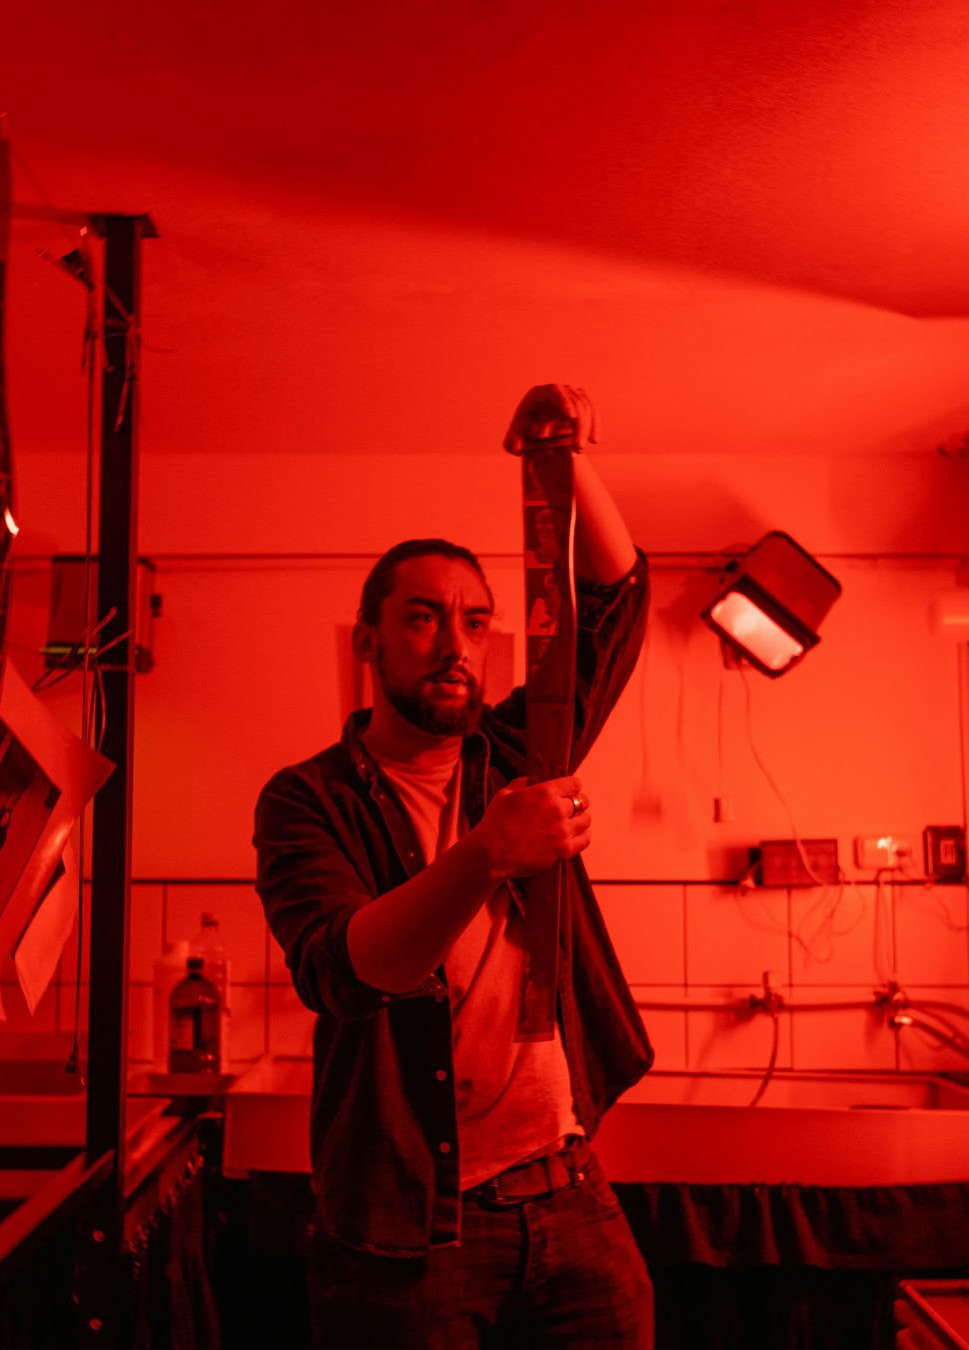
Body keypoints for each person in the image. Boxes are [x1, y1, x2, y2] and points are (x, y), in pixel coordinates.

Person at [253, 385, 655, 1349]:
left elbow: (620, 599)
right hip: (407, 1226)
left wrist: (560, 460)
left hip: (567, 1188)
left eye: (475, 622)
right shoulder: (307, 799)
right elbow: (348, 971)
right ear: (370, 640)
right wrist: (488, 854)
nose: (458, 646)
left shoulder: (520, 750)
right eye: (425, 619)